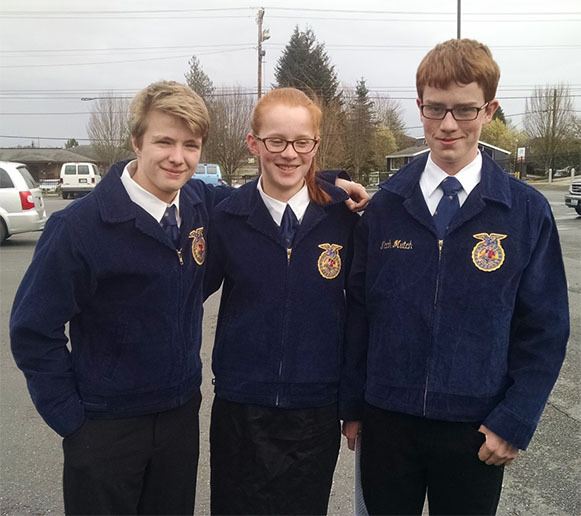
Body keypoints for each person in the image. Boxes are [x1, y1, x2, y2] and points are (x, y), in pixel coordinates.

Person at [10, 80, 368, 516]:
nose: (176, 157)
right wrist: (71, 419)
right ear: (136, 142)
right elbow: (32, 330)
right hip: (108, 422)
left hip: (180, 417)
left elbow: (279, 186)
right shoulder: (80, 228)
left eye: (190, 145)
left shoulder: (200, 205)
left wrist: (332, 184)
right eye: (163, 141)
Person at [341, 39, 569, 516]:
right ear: (419, 106)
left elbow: (544, 329)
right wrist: (353, 405)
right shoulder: (385, 207)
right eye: (435, 109)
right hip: (387, 422)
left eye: (465, 110)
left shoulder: (525, 212)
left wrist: (515, 418)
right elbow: (359, 309)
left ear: (489, 110)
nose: (448, 125)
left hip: (476, 430)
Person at [204, 87, 360, 515]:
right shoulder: (227, 218)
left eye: (301, 142)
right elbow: (184, 293)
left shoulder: (343, 218)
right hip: (242, 406)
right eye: (276, 141)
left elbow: (362, 311)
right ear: (253, 143)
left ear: (315, 146)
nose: (289, 154)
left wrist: (352, 401)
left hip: (314, 409)